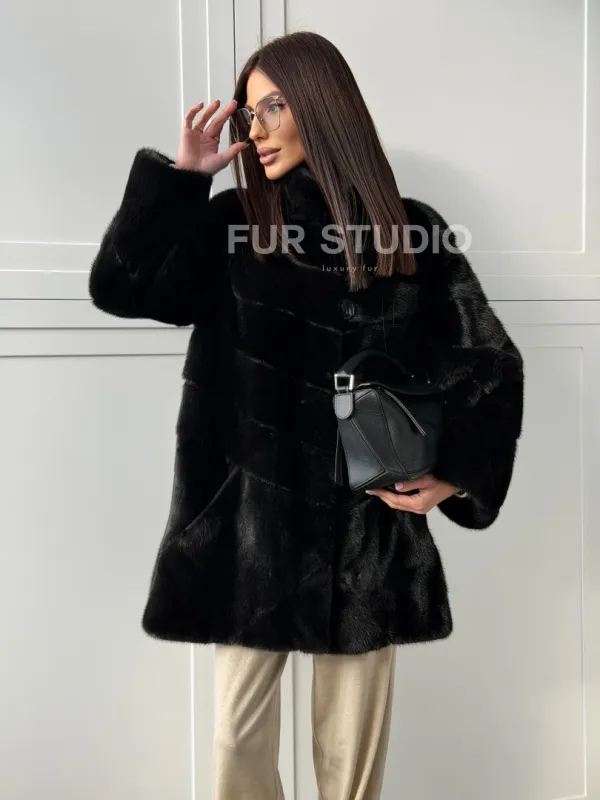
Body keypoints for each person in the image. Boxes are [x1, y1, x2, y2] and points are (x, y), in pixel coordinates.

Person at [88, 30, 524, 800]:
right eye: (249, 113)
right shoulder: (233, 229)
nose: (255, 130)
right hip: (247, 533)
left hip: (368, 538)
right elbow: (121, 289)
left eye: (273, 108)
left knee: (350, 765)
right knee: (235, 742)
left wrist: (454, 471)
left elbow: (490, 363)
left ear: (322, 105)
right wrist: (181, 184)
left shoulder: (410, 232)